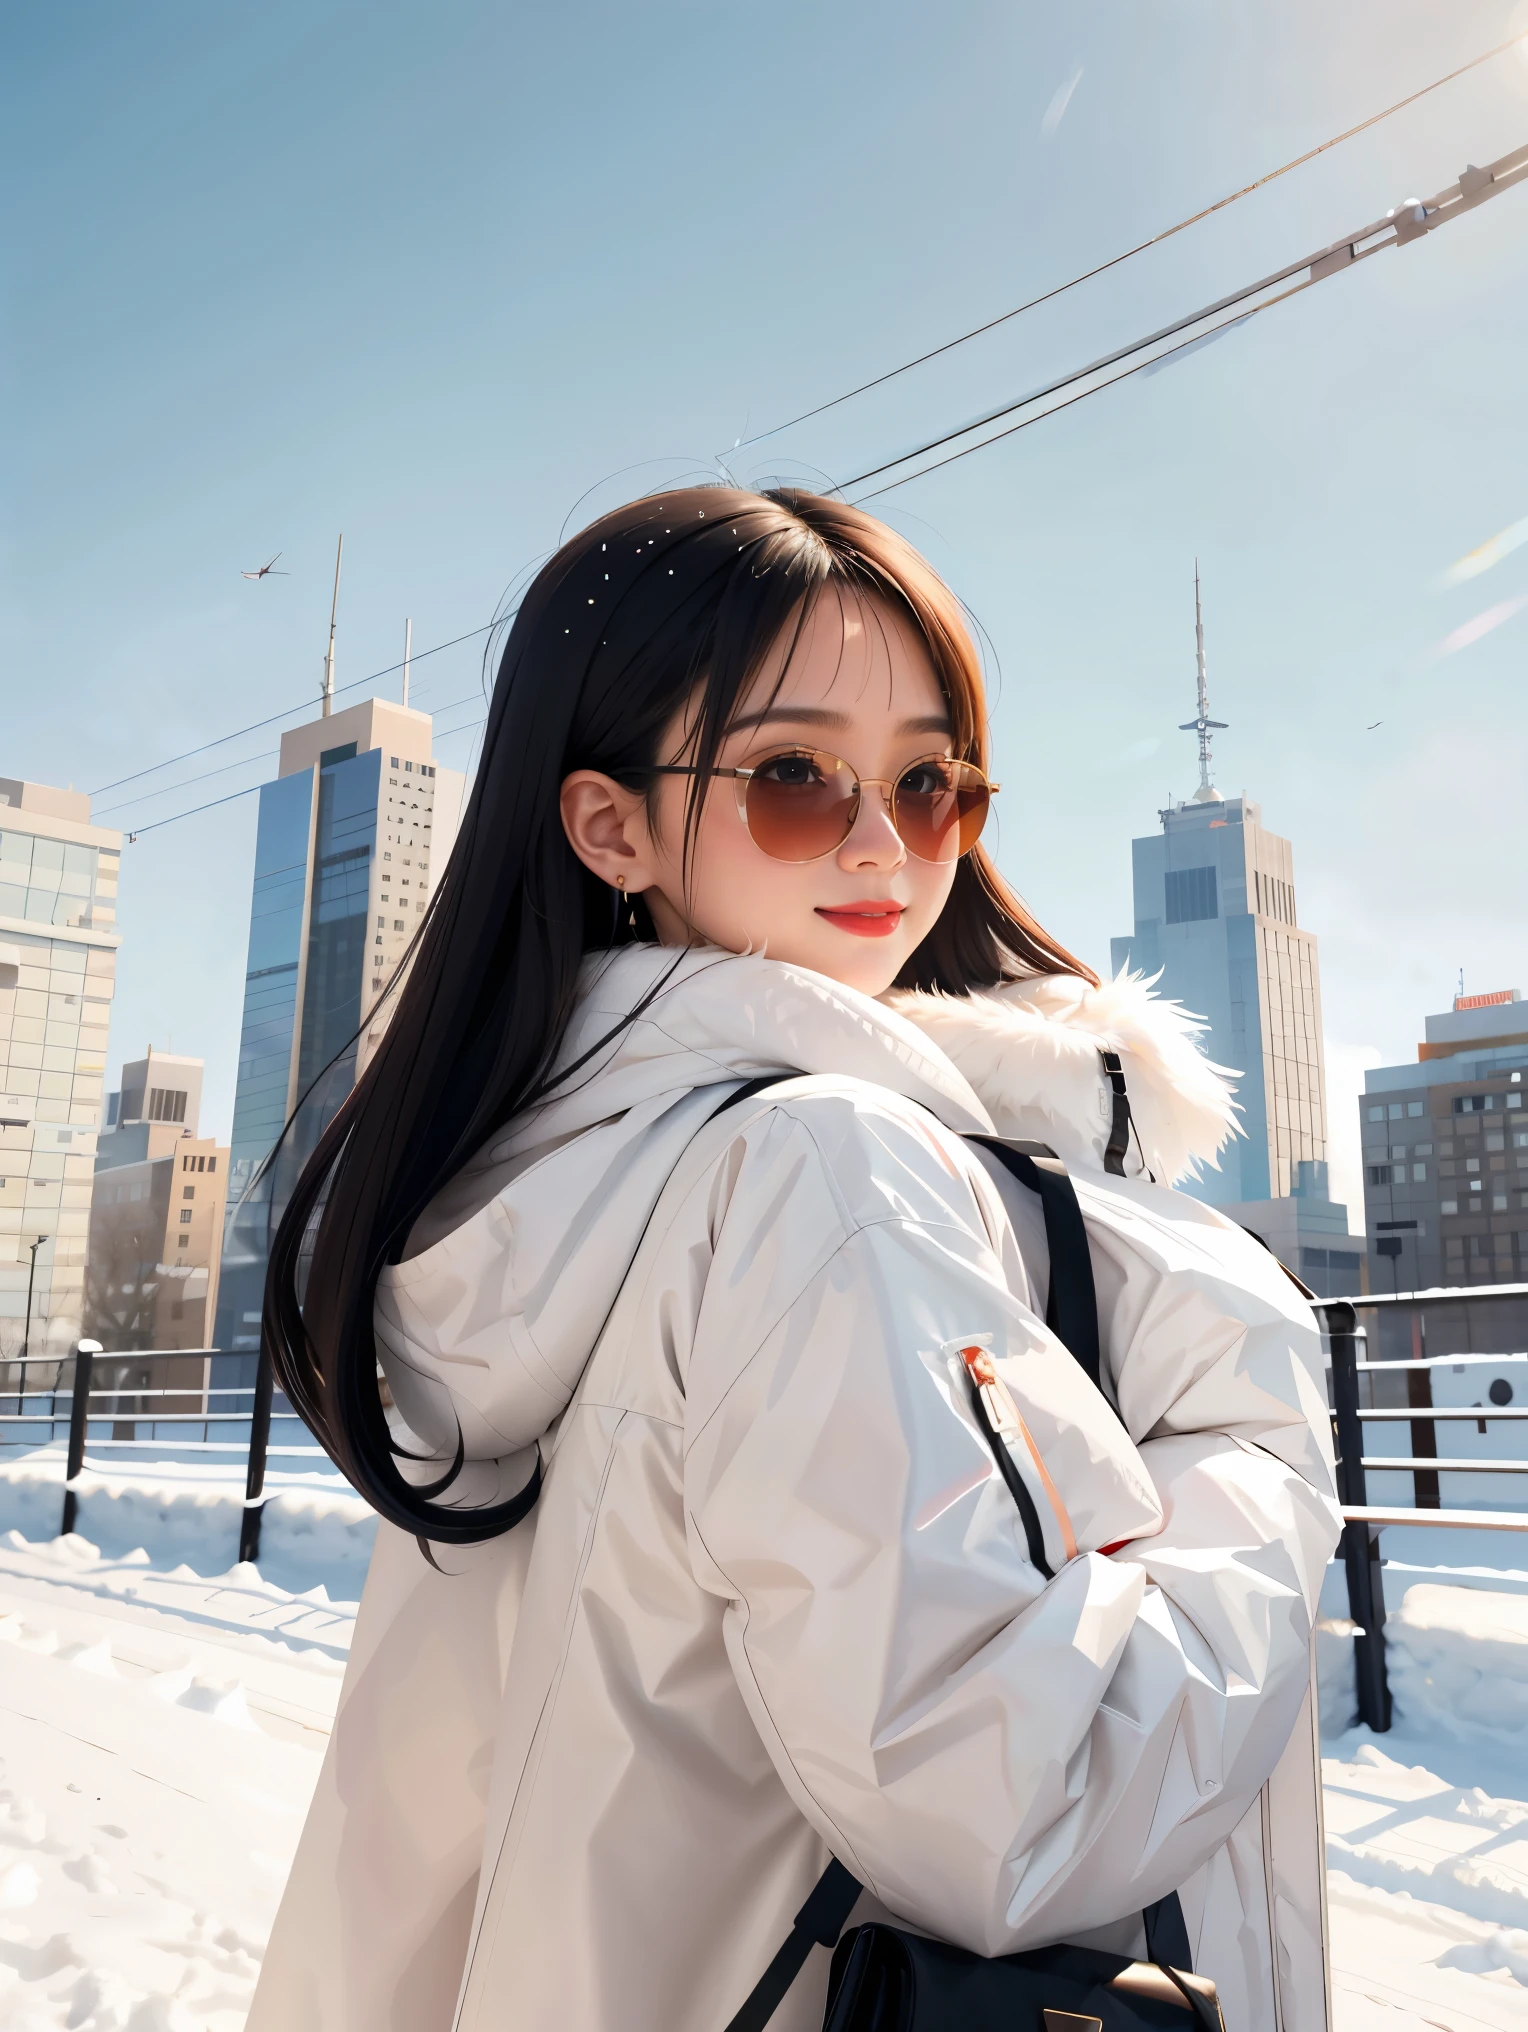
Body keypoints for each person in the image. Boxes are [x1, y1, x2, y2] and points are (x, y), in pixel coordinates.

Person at [247, 487, 1340, 2032]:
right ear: (607, 822)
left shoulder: (571, 1186)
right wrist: (1260, 1461)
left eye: (930, 781)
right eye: (793, 778)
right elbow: (1013, 1805)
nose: (886, 841)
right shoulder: (827, 1170)